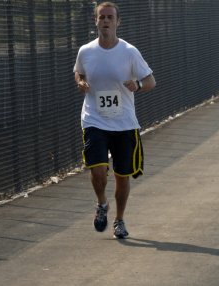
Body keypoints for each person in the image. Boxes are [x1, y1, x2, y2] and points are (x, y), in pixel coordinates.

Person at [73, 2, 156, 239]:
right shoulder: (86, 51)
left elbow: (151, 81)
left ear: (118, 22)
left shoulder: (129, 52)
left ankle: (119, 219)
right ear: (95, 21)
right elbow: (78, 70)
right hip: (94, 119)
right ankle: (101, 203)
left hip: (124, 123)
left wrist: (137, 84)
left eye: (110, 17)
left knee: (122, 175)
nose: (106, 21)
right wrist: (80, 81)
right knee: (97, 170)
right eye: (102, 17)